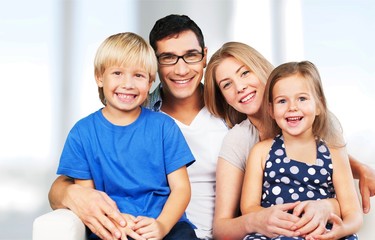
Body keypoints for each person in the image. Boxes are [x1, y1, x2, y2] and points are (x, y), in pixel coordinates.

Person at [48, 15, 228, 240]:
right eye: (169, 58)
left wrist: (161, 225)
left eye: (190, 55)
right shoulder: (85, 132)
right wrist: (117, 224)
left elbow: (182, 189)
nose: (128, 84)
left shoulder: (227, 110)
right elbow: (85, 196)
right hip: (116, 228)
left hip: (170, 227)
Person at [203, 41, 375, 239]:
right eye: (226, 84)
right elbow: (228, 223)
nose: (240, 87)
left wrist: (356, 173)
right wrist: (258, 220)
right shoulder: (246, 144)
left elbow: (334, 160)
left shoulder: (323, 128)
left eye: (245, 73)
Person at [241, 60, 362, 239]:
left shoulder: (334, 152)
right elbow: (249, 207)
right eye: (282, 101)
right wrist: (279, 221)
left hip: (322, 233)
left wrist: (341, 230)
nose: (292, 107)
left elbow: (353, 212)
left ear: (319, 105)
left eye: (302, 98)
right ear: (271, 110)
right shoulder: (261, 151)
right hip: (276, 234)